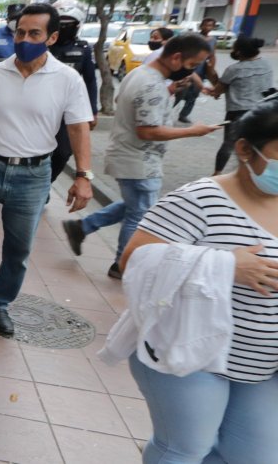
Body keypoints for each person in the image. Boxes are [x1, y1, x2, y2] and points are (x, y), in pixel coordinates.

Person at [116, 100, 278, 462]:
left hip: (263, 364)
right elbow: (133, 261)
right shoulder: (199, 199)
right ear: (244, 150)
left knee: (255, 456)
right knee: (185, 449)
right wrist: (224, 265)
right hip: (189, 355)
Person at [0, 3, 94, 336]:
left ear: (51, 37)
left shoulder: (68, 80)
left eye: (34, 33)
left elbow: (80, 128)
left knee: (18, 248)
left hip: (34, 174)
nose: (25, 39)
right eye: (20, 32)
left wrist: (83, 176)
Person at [62, 34, 220, 279]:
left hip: (133, 158)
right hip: (138, 162)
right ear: (176, 57)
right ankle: (122, 264)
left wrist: (168, 90)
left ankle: (83, 226)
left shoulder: (142, 75)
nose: (191, 72)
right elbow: (147, 131)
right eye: (191, 65)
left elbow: (126, 103)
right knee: (140, 214)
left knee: (134, 206)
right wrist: (192, 131)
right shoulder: (150, 83)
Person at [48, 0, 99, 182]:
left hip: (68, 110)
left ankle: (47, 183)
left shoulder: (83, 49)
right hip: (43, 106)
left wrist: (93, 110)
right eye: (61, 24)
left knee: (62, 153)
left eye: (68, 24)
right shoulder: (43, 47)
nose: (64, 28)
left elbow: (91, 81)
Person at [211, 36, 273, 174]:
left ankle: (217, 174)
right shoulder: (266, 64)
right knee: (255, 143)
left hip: (238, 111)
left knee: (229, 144)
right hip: (263, 110)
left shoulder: (234, 69)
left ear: (238, 52)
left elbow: (217, 90)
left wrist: (214, 90)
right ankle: (254, 171)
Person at [174, 17, 220, 123]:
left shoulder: (213, 40)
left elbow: (212, 55)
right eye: (206, 25)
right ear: (201, 26)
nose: (208, 27)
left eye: (210, 25)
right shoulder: (194, 37)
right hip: (188, 69)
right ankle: (166, 110)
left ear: (213, 27)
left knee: (194, 94)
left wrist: (212, 69)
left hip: (201, 70)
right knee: (180, 92)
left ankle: (184, 114)